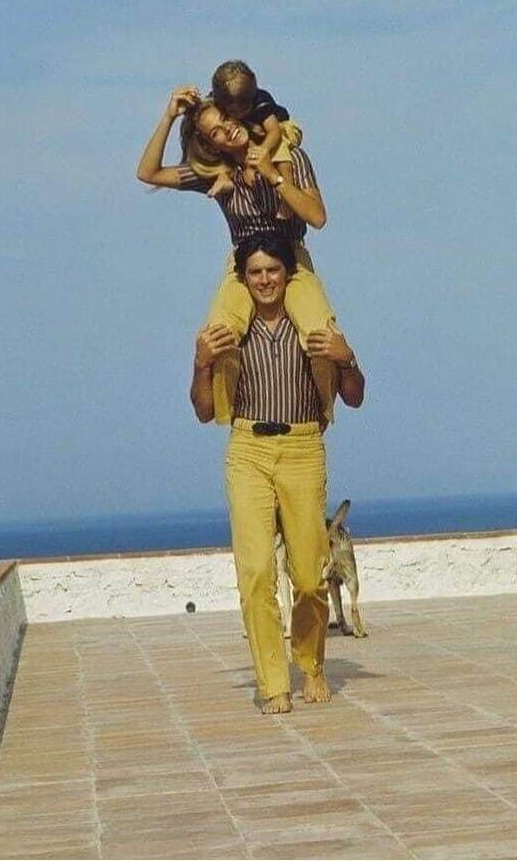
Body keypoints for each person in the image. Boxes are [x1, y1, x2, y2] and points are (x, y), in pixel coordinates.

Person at [190, 233, 365, 714]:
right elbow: (204, 412)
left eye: (272, 271)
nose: (265, 280)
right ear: (242, 280)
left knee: (310, 576)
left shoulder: (313, 327)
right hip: (247, 448)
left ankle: (311, 662)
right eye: (255, 273)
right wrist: (201, 364)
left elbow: (354, 396)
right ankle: (273, 682)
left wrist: (345, 356)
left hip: (304, 447)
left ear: (289, 275)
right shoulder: (230, 333)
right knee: (256, 572)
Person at [137, 87, 337, 427]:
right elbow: (148, 173)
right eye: (216, 130)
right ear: (213, 144)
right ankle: (226, 414)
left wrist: (273, 175)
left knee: (320, 330)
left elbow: (317, 217)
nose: (227, 128)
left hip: (291, 257)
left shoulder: (289, 157)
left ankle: (320, 412)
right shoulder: (218, 173)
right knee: (219, 333)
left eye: (227, 119)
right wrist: (169, 115)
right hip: (243, 264)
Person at [196, 60, 302, 213]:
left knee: (280, 152)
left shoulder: (261, 102)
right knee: (228, 151)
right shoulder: (220, 99)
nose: (239, 114)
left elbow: (274, 132)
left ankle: (287, 200)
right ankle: (224, 177)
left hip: (283, 127)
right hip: (257, 130)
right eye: (233, 112)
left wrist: (264, 149)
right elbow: (204, 110)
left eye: (245, 108)